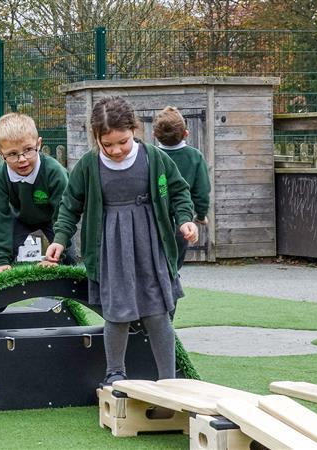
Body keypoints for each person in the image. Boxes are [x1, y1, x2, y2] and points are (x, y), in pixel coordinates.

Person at [44, 97, 198, 385]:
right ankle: (115, 372)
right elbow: (70, 204)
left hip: (150, 245)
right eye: (108, 144)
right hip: (111, 247)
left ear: (134, 130)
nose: (115, 150)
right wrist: (60, 239)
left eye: (123, 142)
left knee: (156, 311)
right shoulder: (89, 165)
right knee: (117, 312)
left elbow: (179, 191)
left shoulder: (154, 158)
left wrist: (185, 219)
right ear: (97, 138)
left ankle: (169, 379)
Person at [0, 113, 74, 276]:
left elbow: (64, 214)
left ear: (38, 144)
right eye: (12, 154)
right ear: (1, 154)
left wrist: (58, 252)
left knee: (67, 260)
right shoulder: (1, 175)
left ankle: (69, 299)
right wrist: (2, 260)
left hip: (52, 219)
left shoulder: (55, 173)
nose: (22, 159)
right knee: (0, 260)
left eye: (28, 150)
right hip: (19, 218)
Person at [153, 106, 210, 272]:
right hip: (181, 220)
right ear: (186, 133)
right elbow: (202, 191)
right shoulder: (194, 156)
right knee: (173, 267)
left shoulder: (151, 156)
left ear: (154, 135)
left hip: (154, 220)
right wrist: (201, 215)